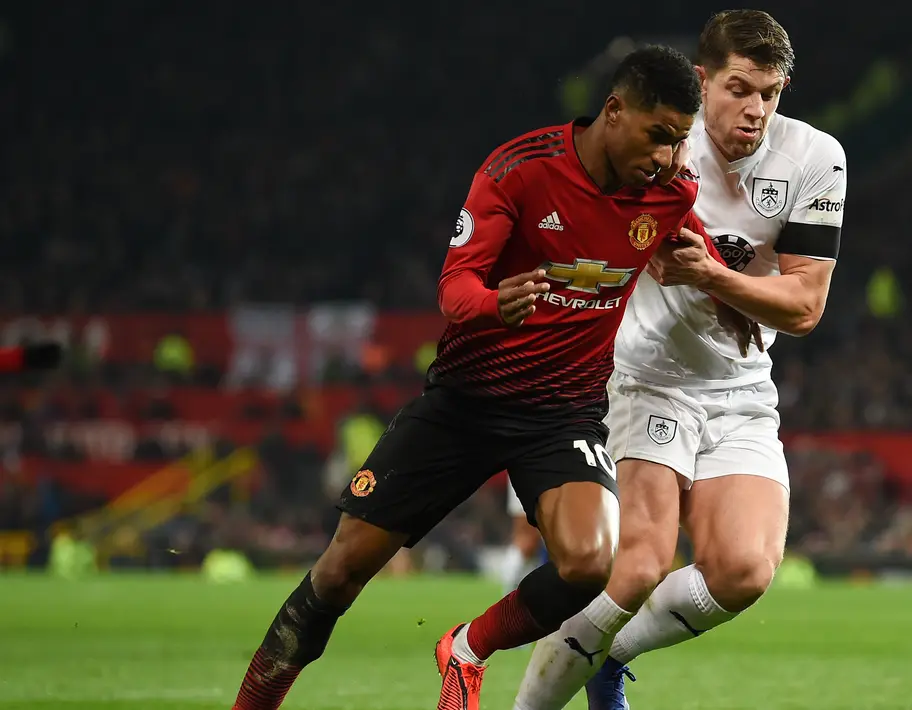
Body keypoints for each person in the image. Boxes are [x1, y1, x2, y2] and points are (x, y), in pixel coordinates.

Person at [229, 45, 733, 710]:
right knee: (341, 571)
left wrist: (714, 276)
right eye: (657, 136)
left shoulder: (669, 195)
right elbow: (453, 288)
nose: (668, 158)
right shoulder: (519, 170)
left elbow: (693, 247)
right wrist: (498, 303)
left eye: (679, 141)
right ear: (614, 111)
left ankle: (467, 647)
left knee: (589, 563)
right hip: (463, 405)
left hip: (562, 413)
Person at [512, 10, 848, 710]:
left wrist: (711, 277)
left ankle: (605, 651)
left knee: (745, 570)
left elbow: (805, 307)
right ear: (701, 80)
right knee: (634, 568)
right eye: (737, 88)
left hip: (741, 392)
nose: (754, 109)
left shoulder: (815, 159)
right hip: (643, 380)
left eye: (770, 92)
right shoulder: (661, 142)